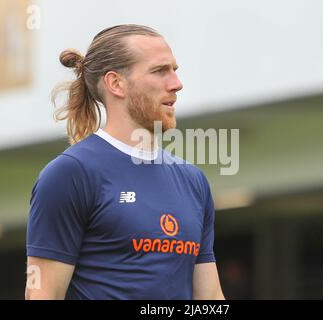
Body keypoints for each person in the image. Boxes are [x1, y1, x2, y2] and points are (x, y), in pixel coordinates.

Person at [25, 24, 225, 300]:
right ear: (116, 83)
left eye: (174, 70)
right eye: (160, 71)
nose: (176, 84)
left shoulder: (193, 180)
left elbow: (210, 298)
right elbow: (42, 294)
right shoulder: (70, 174)